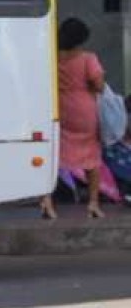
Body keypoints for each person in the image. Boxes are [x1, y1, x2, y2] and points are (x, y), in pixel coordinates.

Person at [44, 16, 107, 221]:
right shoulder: (88, 58)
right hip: (83, 112)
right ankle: (93, 204)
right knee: (92, 159)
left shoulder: (53, 58)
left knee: (55, 158)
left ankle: (46, 200)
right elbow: (98, 86)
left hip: (59, 110)